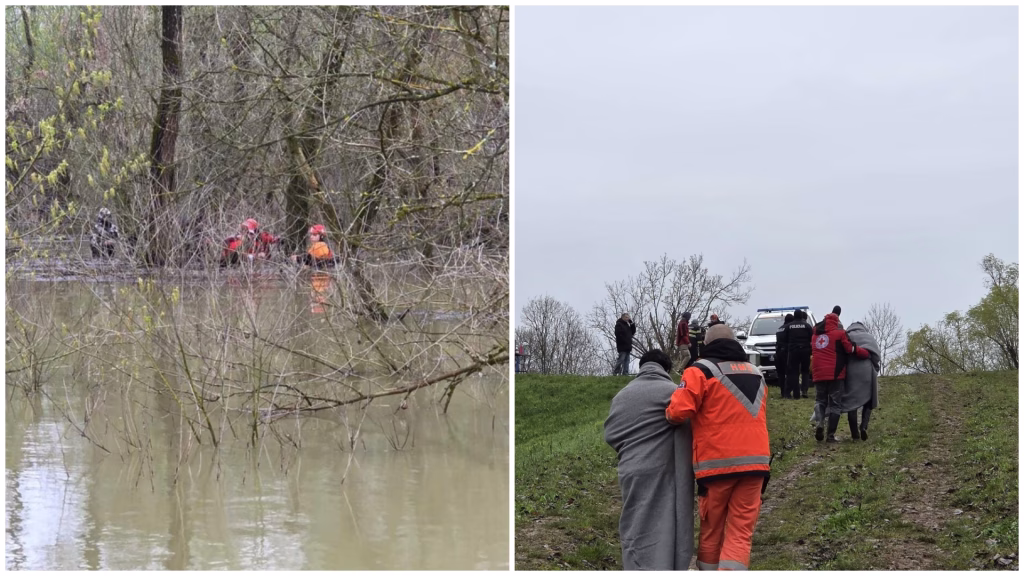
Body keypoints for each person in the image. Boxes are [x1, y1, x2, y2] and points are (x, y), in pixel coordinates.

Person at [666, 324, 770, 571]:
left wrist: (668, 414)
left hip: (716, 466)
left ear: (705, 344)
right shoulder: (756, 372)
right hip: (756, 464)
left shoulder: (699, 370)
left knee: (712, 529)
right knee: (741, 532)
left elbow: (679, 412)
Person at [604, 349, 694, 570]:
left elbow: (610, 433)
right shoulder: (672, 392)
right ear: (666, 370)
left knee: (634, 523)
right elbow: (688, 421)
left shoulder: (622, 395)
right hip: (661, 470)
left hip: (629, 469)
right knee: (662, 525)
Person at [810, 311, 870, 443]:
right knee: (835, 404)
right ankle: (830, 436)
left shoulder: (815, 335)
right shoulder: (840, 333)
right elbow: (850, 349)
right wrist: (865, 353)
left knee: (820, 401)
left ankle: (820, 423)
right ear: (836, 322)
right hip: (835, 374)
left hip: (818, 373)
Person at [841, 322, 881, 441]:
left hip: (851, 370)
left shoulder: (846, 337)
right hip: (867, 370)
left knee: (852, 401)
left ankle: (855, 434)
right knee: (868, 400)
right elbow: (876, 357)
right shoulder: (869, 337)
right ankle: (863, 426)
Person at [785, 309, 814, 399]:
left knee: (794, 372)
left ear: (794, 316)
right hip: (805, 351)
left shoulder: (789, 326)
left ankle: (796, 393)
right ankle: (804, 390)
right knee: (805, 371)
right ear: (802, 316)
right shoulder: (807, 326)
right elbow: (812, 338)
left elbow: (785, 338)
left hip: (793, 351)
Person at [775, 313, 793, 398]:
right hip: (786, 352)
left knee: (781, 374)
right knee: (789, 373)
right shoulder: (789, 328)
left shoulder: (779, 329)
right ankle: (787, 393)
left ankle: (782, 392)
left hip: (778, 353)